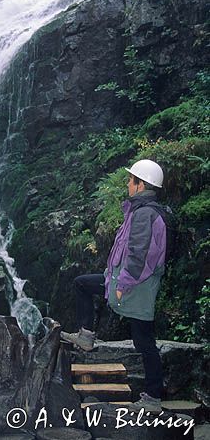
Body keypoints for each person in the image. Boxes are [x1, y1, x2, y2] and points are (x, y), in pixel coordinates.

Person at [61, 159, 167, 413]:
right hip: (122, 281)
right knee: (83, 284)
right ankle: (86, 337)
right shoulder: (140, 211)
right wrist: (113, 277)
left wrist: (124, 284)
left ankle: (153, 398)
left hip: (134, 287)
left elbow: (138, 254)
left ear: (141, 185)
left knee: (144, 342)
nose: (128, 184)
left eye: (131, 180)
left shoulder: (144, 214)